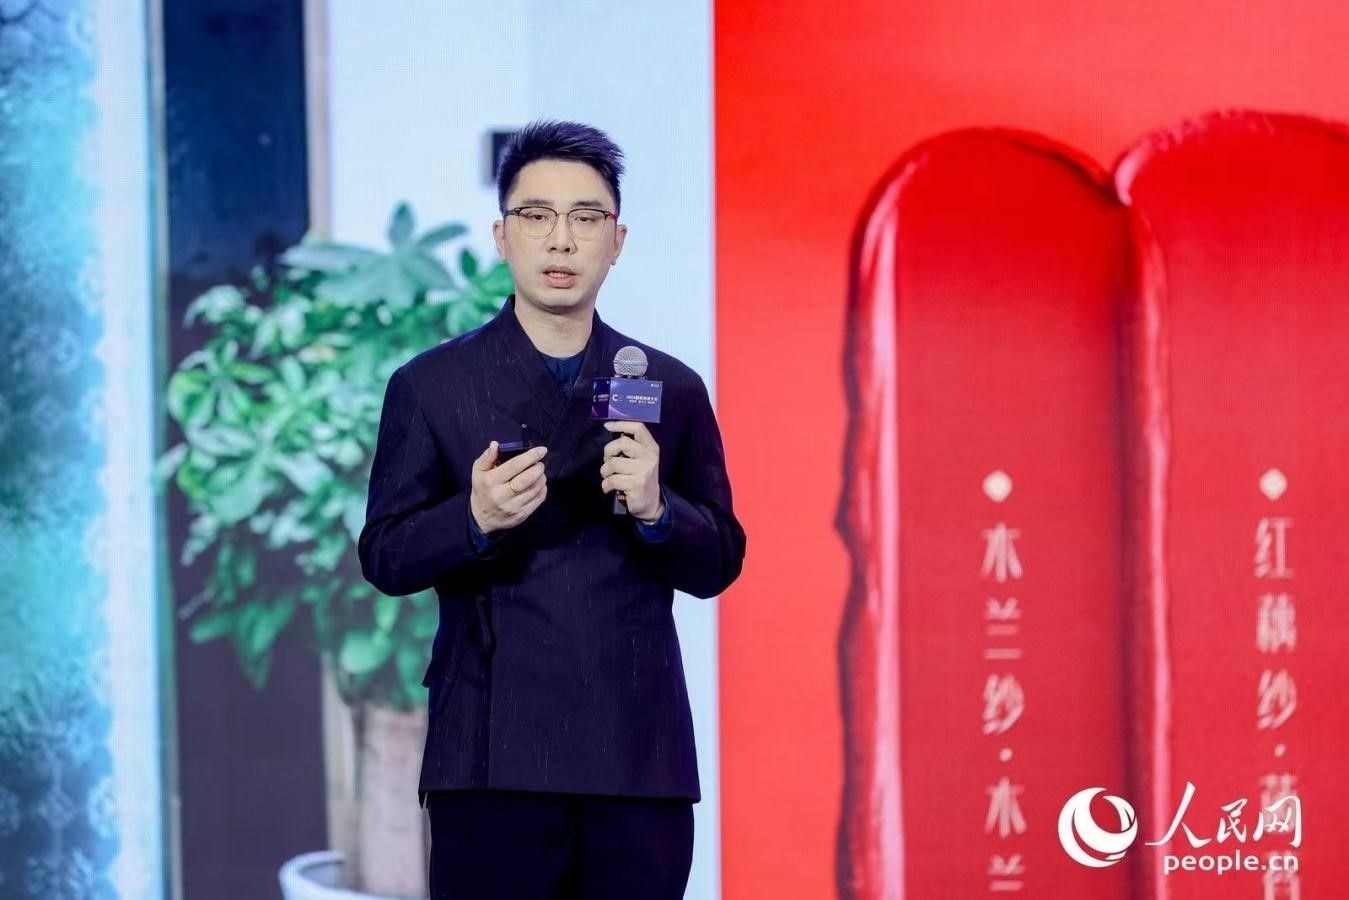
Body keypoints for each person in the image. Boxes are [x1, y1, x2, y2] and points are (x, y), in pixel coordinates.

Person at [358, 120, 746, 899]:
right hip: (490, 756)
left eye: (585, 218)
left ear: (617, 240)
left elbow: (719, 561)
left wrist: (656, 508)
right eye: (536, 215)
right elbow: (386, 556)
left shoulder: (667, 386)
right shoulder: (432, 385)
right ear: (502, 236)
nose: (560, 240)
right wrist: (473, 518)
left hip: (636, 756)